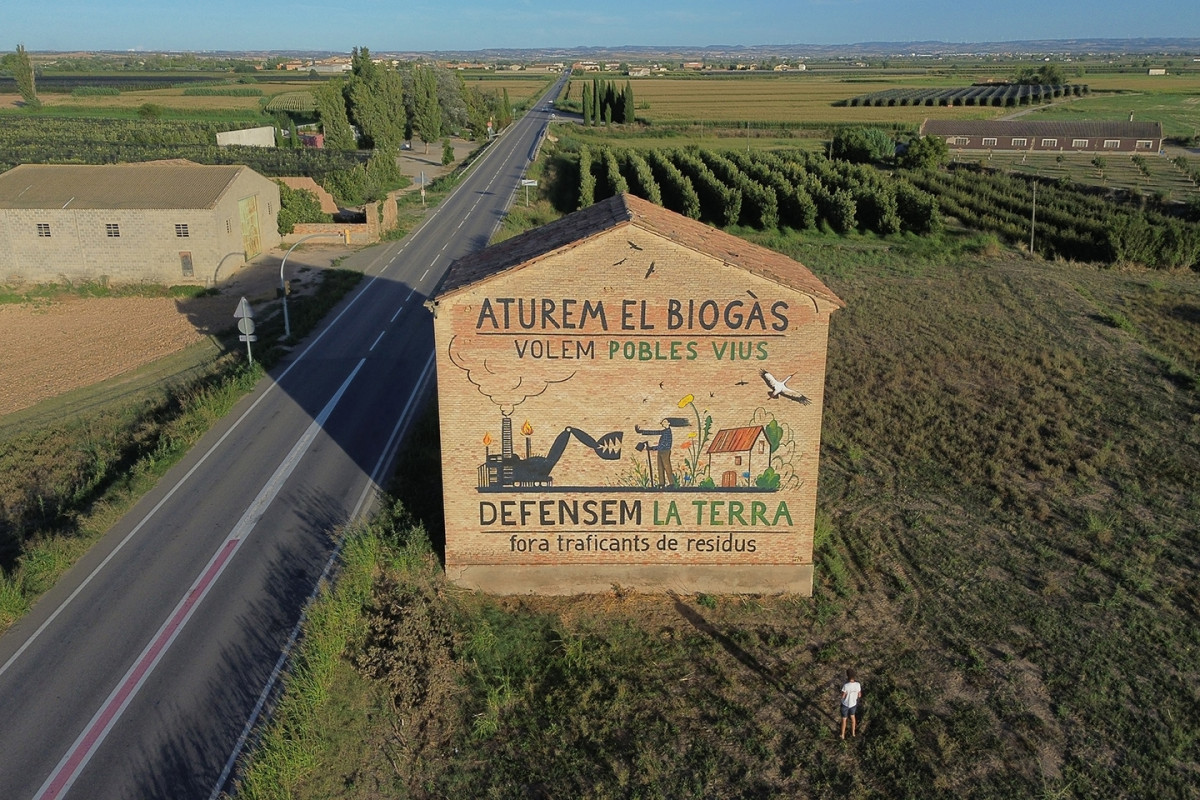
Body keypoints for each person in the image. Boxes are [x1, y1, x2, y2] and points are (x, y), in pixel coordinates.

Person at [840, 668, 862, 739]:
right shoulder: (858, 685)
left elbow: (843, 696)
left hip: (845, 704)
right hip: (853, 704)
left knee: (844, 719)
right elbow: (859, 695)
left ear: (847, 676)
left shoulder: (846, 686)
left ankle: (842, 735)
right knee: (853, 717)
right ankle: (853, 733)